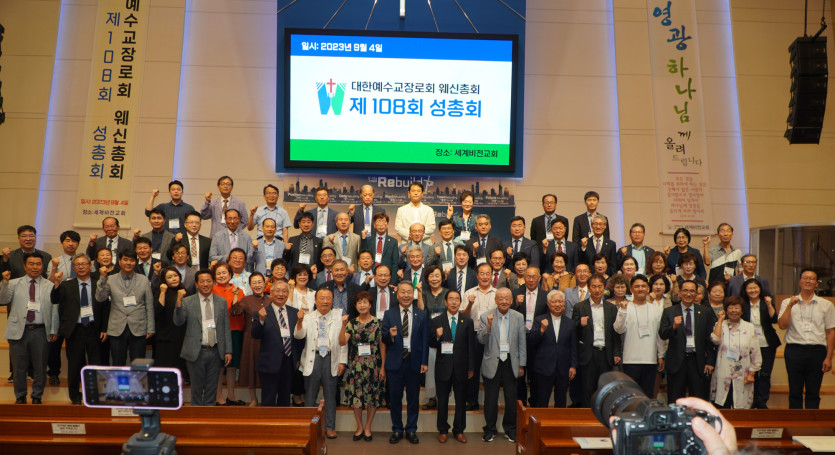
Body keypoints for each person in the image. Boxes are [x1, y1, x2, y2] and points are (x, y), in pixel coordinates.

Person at [1, 252, 58, 404]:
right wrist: (4, 282)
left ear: (42, 266)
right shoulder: (13, 283)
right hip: (18, 331)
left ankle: (37, 396)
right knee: (19, 367)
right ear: (25, 266)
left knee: (40, 366)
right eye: (31, 264)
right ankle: (20, 396)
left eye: (38, 264)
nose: (35, 267)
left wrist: (54, 329)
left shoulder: (49, 285)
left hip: (40, 330)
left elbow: (54, 309)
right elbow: (3, 299)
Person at [50, 254, 107, 404]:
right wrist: (56, 283)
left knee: (96, 364)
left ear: (90, 266)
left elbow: (105, 307)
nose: (81, 267)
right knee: (74, 364)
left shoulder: (98, 283)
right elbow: (55, 299)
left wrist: (104, 328)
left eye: (84, 264)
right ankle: (75, 396)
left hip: (94, 329)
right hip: (75, 330)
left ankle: (96, 395)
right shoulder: (66, 285)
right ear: (74, 268)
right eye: (77, 264)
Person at [173, 269, 232, 406]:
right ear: (196, 284)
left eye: (208, 281)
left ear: (214, 282)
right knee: (196, 389)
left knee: (212, 388)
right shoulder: (188, 301)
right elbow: (178, 321)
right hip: (196, 351)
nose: (205, 284)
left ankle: (209, 415)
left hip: (215, 350)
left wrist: (228, 350)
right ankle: (196, 415)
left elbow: (226, 327)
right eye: (202, 281)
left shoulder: (221, 302)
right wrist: (179, 302)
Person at [777, 268, 835, 409]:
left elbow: (830, 332)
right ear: (800, 281)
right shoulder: (787, 302)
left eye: (812, 278)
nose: (808, 281)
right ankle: (795, 421)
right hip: (794, 350)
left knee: (813, 392)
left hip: (817, 351)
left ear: (817, 283)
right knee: (794, 391)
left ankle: (812, 422)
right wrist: (790, 306)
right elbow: (782, 325)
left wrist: (829, 357)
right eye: (805, 278)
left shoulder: (826, 305)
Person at [295, 288, 348, 439]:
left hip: (331, 358)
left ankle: (330, 427)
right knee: (310, 395)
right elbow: (298, 335)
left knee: (330, 395)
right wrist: (299, 321)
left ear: (332, 301)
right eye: (322, 298)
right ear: (315, 300)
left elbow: (343, 342)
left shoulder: (339, 317)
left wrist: (342, 361)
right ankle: (309, 426)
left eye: (328, 298)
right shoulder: (308, 317)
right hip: (314, 358)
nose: (325, 301)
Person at [381, 282, 429, 444]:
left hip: (414, 362)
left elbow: (425, 340)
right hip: (395, 363)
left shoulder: (421, 314)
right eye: (403, 292)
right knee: (395, 399)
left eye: (409, 292)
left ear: (413, 294)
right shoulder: (389, 314)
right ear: (397, 294)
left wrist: (424, 361)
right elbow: (384, 339)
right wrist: (390, 334)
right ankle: (396, 429)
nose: (406, 295)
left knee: (413, 399)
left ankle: (411, 429)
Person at [478, 287, 526, 443]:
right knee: (490, 400)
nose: (504, 301)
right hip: (492, 363)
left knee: (511, 399)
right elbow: (481, 340)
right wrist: (488, 326)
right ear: (495, 300)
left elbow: (522, 342)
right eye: (501, 298)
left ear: (511, 300)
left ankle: (510, 429)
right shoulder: (486, 316)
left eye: (507, 298)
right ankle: (489, 429)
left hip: (511, 363)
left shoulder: (518, 317)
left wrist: (522, 365)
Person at [659, 280, 718, 403]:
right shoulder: (669, 311)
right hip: (677, 362)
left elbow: (709, 339)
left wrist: (710, 361)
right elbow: (663, 334)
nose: (688, 294)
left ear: (696, 293)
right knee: (675, 400)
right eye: (685, 290)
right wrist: (673, 326)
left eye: (692, 291)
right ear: (680, 292)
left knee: (699, 400)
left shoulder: (705, 312)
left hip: (697, 362)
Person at [429, 290, 474, 443]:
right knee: (442, 401)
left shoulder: (467, 321)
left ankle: (459, 430)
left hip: (461, 367)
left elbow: (471, 346)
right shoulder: (437, 320)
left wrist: (471, 367)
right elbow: (431, 343)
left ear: (460, 302)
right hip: (443, 367)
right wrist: (437, 336)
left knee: (461, 401)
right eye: (451, 299)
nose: (454, 302)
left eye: (457, 299)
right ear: (445, 302)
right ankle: (443, 430)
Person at [339, 291, 385, 441]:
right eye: (359, 302)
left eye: (365, 302)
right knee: (356, 398)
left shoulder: (378, 323)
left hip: (374, 366)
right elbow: (342, 342)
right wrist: (342, 326)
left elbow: (382, 346)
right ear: (355, 306)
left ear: (370, 305)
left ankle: (368, 426)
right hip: (356, 367)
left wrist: (383, 367)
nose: (362, 305)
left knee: (373, 397)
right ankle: (359, 426)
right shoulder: (351, 323)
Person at [96, 251, 154, 366]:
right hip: (117, 327)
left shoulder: (143, 280)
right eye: (125, 260)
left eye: (132, 260)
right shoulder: (110, 279)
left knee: (139, 364)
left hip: (139, 326)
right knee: (118, 363)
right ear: (119, 261)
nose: (129, 263)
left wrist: (150, 328)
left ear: (135, 262)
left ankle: (138, 379)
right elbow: (100, 298)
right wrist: (102, 278)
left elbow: (149, 305)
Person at [572, 274, 621, 406]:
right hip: (588, 354)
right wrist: (579, 324)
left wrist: (616, 352)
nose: (597, 290)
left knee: (604, 390)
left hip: (606, 354)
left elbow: (615, 333)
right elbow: (573, 332)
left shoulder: (611, 308)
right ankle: (586, 416)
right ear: (589, 288)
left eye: (600, 286)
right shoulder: (579, 307)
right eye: (594, 286)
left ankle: (601, 416)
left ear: (604, 288)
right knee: (587, 390)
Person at [613, 275, 666, 397]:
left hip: (650, 360)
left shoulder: (656, 309)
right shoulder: (625, 307)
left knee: (647, 396)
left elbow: (659, 334)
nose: (640, 289)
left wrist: (661, 355)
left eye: (643, 286)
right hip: (630, 360)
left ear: (648, 289)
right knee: (631, 396)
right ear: (631, 289)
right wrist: (623, 311)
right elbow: (618, 329)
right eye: (637, 286)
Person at [252, 280, 302, 407]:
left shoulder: (294, 313)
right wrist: (261, 320)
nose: (281, 294)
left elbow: (298, 338)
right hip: (269, 363)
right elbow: (255, 334)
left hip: (289, 361)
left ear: (288, 293)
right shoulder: (262, 312)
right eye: (278, 291)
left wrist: (297, 358)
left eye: (284, 291)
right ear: (271, 293)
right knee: (268, 400)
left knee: (285, 400)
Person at [528, 290, 577, 407]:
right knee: (541, 401)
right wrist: (541, 330)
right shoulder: (539, 320)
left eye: (560, 301)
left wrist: (573, 366)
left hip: (563, 368)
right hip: (544, 368)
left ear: (564, 303)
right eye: (554, 301)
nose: (557, 304)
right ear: (548, 303)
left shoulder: (570, 323)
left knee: (561, 402)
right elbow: (531, 341)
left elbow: (573, 346)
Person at [710, 296, 761, 409]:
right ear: (726, 310)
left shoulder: (749, 327)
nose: (734, 311)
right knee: (722, 406)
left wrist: (751, 373)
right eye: (730, 308)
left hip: (743, 374)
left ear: (742, 311)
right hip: (724, 373)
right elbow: (715, 339)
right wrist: (720, 319)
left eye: (737, 308)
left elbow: (755, 352)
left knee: (741, 407)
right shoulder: (721, 325)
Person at [46, 230, 81, 386]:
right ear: (62, 243)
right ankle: (54, 373)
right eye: (67, 240)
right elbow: (49, 283)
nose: (71, 244)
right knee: (55, 341)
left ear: (78, 244)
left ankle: (77, 373)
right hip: (59, 304)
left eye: (74, 241)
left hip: (77, 305)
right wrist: (54, 268)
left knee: (75, 343)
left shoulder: (84, 261)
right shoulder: (56, 261)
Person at [231, 273, 270, 406]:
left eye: (259, 282)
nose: (257, 285)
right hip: (250, 340)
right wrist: (236, 295)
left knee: (268, 369)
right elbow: (235, 311)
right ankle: (253, 398)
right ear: (250, 285)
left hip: (268, 340)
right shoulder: (246, 300)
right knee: (251, 369)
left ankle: (267, 398)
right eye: (254, 283)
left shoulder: (271, 300)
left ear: (265, 283)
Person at [462, 262, 497, 410]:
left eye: (488, 273)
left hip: (492, 334)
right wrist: (470, 304)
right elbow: (463, 317)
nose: (485, 276)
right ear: (477, 276)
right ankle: (472, 400)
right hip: (474, 334)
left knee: (491, 367)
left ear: (492, 276)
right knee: (473, 368)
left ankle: (490, 402)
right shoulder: (469, 293)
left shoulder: (497, 294)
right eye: (482, 273)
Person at [740, 278, 779, 409]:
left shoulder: (766, 302)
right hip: (748, 345)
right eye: (750, 288)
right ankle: (751, 401)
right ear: (745, 290)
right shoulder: (743, 304)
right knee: (751, 374)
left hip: (766, 344)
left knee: (765, 374)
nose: (753, 290)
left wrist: (769, 305)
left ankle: (762, 402)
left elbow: (774, 319)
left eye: (755, 288)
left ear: (760, 289)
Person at [212, 262, 246, 405]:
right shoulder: (212, 290)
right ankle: (218, 396)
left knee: (232, 366)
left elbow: (240, 311)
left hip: (236, 330)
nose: (221, 276)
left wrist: (236, 296)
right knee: (220, 366)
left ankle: (231, 396)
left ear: (230, 274)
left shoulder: (239, 290)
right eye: (218, 273)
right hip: (219, 332)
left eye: (224, 273)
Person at [417, 265, 449, 410]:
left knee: (445, 367)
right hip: (429, 334)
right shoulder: (424, 293)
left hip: (446, 334)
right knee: (430, 366)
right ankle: (431, 397)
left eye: (437, 275)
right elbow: (421, 311)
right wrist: (419, 293)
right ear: (427, 278)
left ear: (442, 278)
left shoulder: (448, 293)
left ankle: (444, 395)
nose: (434, 279)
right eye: (431, 276)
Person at [153, 267, 188, 380]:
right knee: (165, 368)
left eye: (175, 275)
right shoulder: (160, 292)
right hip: (165, 334)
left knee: (180, 366)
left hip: (181, 334)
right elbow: (158, 311)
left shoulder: (185, 292)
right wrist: (163, 292)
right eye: (169, 277)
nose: (174, 279)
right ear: (164, 280)